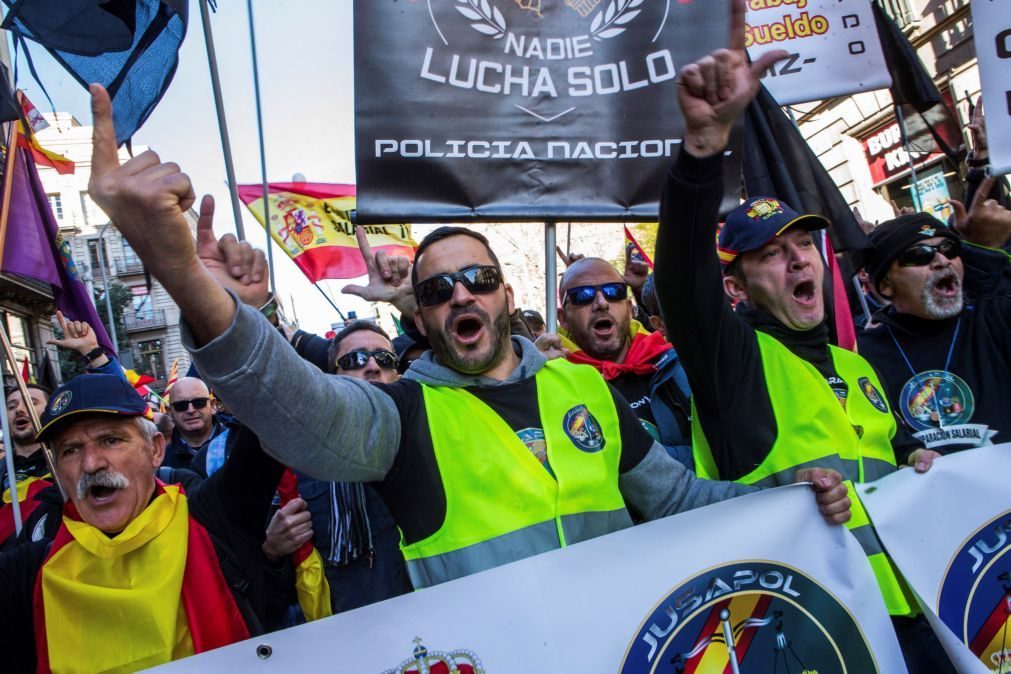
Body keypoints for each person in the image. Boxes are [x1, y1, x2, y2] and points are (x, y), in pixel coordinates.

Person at [85, 86, 850, 593]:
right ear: (417, 318)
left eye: (477, 279)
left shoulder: (584, 388)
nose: (460, 293)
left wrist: (773, 496)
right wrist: (180, 270)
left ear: (505, 295)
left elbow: (677, 499)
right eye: (437, 288)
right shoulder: (400, 418)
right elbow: (288, 405)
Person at [651, 4, 947, 670]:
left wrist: (917, 465)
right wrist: (702, 151)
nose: (797, 261)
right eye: (769, 255)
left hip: (909, 610)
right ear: (736, 286)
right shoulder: (732, 359)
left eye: (802, 245)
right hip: (812, 628)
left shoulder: (854, 362)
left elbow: (882, 461)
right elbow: (680, 277)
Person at [0, 373, 291, 672]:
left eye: (110, 440)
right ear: (58, 471)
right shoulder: (33, 571)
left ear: (155, 449)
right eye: (70, 450)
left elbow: (279, 400)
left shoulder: (215, 518)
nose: (90, 464)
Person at [858, 212, 1011, 454]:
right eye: (919, 255)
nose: (942, 260)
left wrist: (990, 247)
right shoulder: (863, 354)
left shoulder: (996, 317)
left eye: (949, 249)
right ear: (886, 284)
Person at [301, 320, 413, 612]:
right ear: (332, 377)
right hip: (351, 632)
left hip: (430, 616)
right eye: (356, 359)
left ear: (397, 373)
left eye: (384, 359)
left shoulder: (429, 438)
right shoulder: (303, 460)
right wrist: (273, 552)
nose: (373, 367)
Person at [553, 258, 693, 467]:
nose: (601, 303)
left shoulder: (675, 363)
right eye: (583, 295)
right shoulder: (555, 383)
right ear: (563, 318)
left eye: (614, 291)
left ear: (628, 308)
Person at [163, 376, 229, 475]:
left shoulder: (237, 443)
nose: (191, 410)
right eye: (181, 405)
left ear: (212, 405)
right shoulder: (161, 459)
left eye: (199, 402)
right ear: (169, 412)